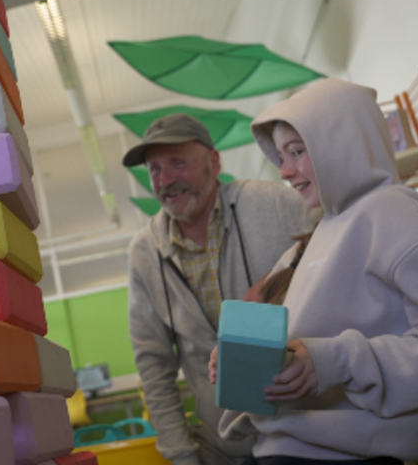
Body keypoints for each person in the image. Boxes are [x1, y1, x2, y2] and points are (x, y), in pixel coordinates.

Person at [213, 77, 418, 464]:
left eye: (297, 151)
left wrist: (337, 361)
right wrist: (240, 358)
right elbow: (291, 344)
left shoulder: (395, 211)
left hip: (343, 455)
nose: (285, 171)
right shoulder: (313, 238)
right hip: (275, 447)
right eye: (281, 156)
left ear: (341, 143)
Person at [124, 113, 320, 465]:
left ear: (214, 163)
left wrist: (277, 279)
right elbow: (154, 367)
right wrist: (182, 457)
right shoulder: (144, 253)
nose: (165, 180)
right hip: (224, 448)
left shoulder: (272, 204)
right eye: (154, 169)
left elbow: (334, 245)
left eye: (177, 163)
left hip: (306, 435)